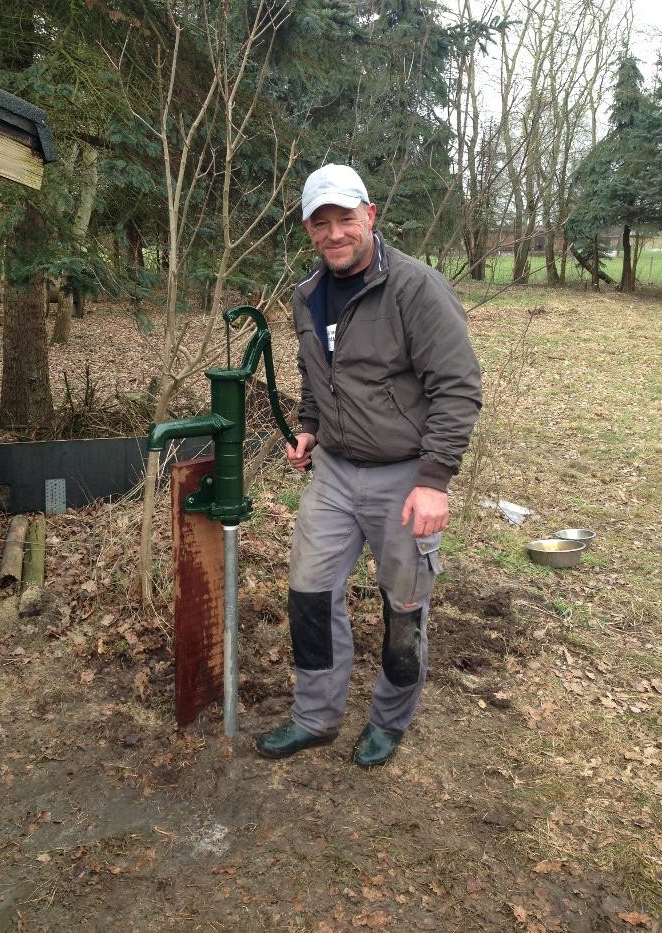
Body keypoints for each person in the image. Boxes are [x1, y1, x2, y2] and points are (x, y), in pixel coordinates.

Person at [255, 164, 482, 767]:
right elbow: (316, 376)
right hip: (333, 471)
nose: (335, 234)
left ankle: (388, 720)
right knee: (309, 591)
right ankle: (315, 716)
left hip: (405, 474)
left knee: (403, 606)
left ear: (370, 217)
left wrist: (434, 481)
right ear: (308, 229)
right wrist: (308, 429)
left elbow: (457, 388)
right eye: (321, 223)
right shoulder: (307, 294)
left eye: (346, 220)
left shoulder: (416, 289)